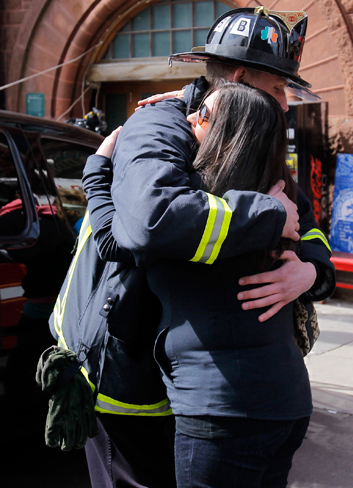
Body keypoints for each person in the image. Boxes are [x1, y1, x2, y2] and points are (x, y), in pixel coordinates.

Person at [51, 7, 334, 488]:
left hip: (184, 379)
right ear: (240, 78)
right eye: (277, 88)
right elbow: (150, 222)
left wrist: (310, 273)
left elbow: (304, 222)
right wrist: (264, 216)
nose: (285, 104)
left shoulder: (247, 134)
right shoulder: (159, 125)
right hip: (125, 361)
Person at [92, 80, 314, 488]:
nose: (191, 116)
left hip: (221, 409)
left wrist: (98, 169)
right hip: (288, 402)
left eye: (205, 114)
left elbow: (121, 235)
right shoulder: (279, 196)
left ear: (231, 131)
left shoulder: (195, 207)